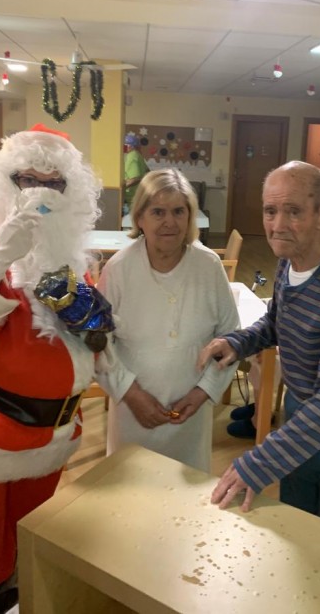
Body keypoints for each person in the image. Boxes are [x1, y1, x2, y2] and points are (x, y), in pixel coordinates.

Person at [0, 125, 115, 613]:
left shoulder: (65, 243)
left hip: (50, 435)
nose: (41, 192)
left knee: (24, 541)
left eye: (53, 184)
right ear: (5, 180)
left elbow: (79, 327)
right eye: (28, 180)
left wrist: (90, 319)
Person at [197, 161, 320, 531]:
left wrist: (257, 464)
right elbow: (276, 322)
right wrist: (237, 342)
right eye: (270, 211)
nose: (278, 225)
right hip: (302, 413)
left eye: (294, 211)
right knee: (297, 525)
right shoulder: (289, 261)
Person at [97, 169, 239, 473]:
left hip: (190, 415)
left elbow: (231, 338)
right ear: (139, 218)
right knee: (131, 488)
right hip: (132, 413)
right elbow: (99, 344)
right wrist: (131, 394)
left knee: (187, 490)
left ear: (190, 217)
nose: (169, 222)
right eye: (158, 212)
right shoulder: (118, 270)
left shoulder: (209, 266)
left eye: (178, 211)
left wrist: (204, 391)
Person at [123, 133, 149, 212]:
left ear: (130, 146)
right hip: (140, 194)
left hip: (132, 197)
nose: (123, 148)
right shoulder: (138, 155)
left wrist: (122, 187)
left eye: (124, 145)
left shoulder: (132, 156)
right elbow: (148, 171)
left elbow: (135, 178)